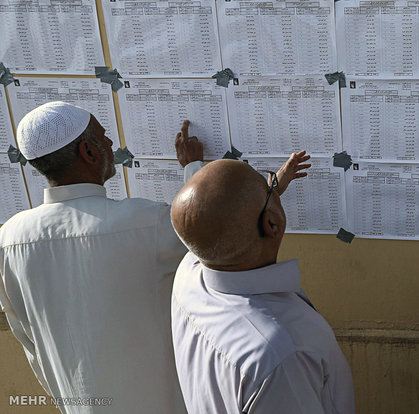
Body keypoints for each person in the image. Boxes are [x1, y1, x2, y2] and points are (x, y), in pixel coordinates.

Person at [0, 101, 302, 413]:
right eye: (103, 137)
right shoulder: (144, 223)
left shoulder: (8, 239)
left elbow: (30, 343)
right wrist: (206, 172)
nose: (111, 143)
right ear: (89, 153)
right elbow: (216, 229)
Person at [170, 158, 356, 413]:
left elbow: (207, 220)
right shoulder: (281, 354)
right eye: (266, 185)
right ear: (271, 224)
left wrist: (268, 197)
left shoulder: (188, 274)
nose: (271, 185)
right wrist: (263, 202)